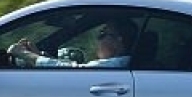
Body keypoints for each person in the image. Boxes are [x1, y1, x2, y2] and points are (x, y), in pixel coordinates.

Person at [7, 18, 137, 68]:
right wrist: (38, 55)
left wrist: (23, 54)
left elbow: (71, 70)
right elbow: (73, 69)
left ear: (118, 40)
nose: (98, 39)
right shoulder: (123, 64)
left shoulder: (113, 66)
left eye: (102, 34)